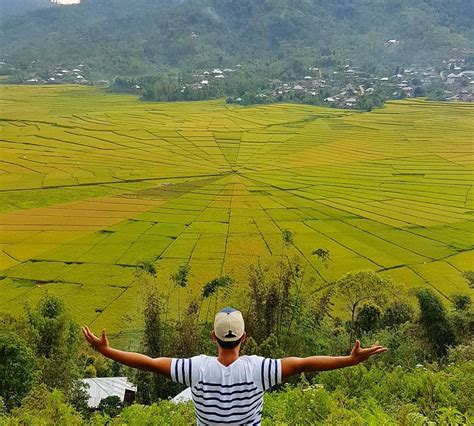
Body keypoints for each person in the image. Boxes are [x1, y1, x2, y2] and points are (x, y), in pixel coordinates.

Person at [82, 307, 386, 425]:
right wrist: (350, 359)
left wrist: (107, 351)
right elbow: (305, 363)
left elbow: (148, 363)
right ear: (244, 337)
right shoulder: (259, 369)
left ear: (213, 336)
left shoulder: (196, 369)